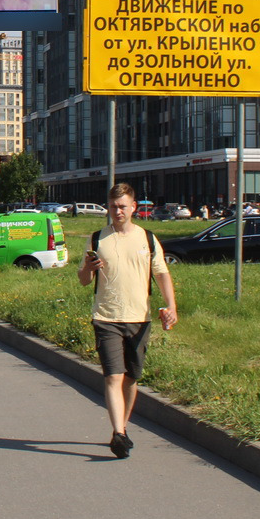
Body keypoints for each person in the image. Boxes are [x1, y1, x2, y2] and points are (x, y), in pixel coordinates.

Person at [76, 183, 178, 459]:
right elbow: (84, 281)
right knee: (113, 376)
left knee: (131, 379)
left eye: (123, 206)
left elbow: (162, 275)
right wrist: (88, 268)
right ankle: (118, 433)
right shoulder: (98, 239)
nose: (118, 211)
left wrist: (171, 306)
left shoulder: (147, 239)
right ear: (108, 208)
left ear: (134, 207)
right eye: (113, 206)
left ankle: (123, 426)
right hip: (106, 317)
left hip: (139, 318)